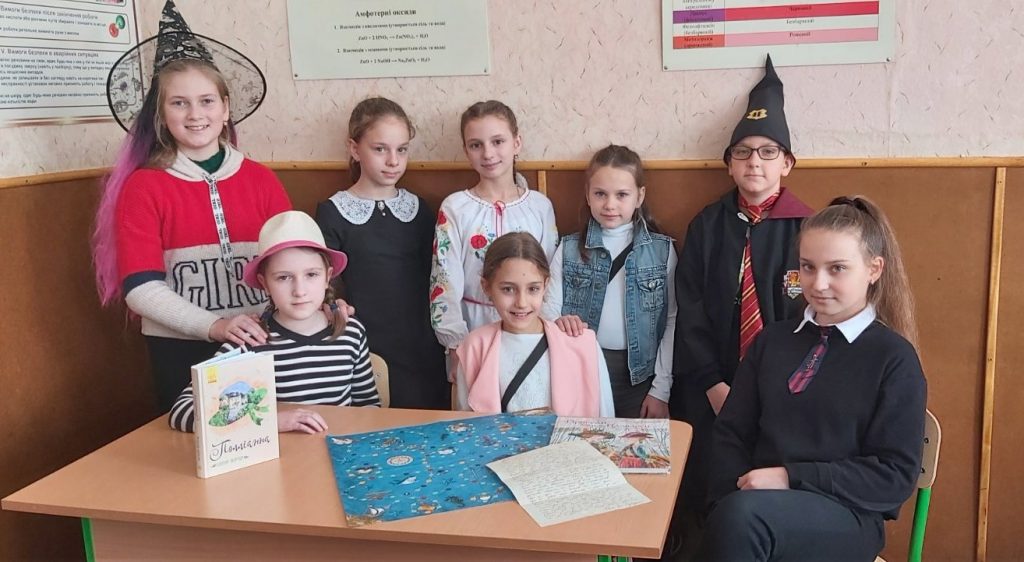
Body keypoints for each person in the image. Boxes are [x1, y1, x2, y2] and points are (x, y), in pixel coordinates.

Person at [696, 196, 927, 562]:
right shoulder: (772, 341)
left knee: (741, 521)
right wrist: (727, 498)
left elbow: (894, 475)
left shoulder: (894, 358)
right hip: (754, 509)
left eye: (837, 269)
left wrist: (789, 477)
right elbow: (731, 433)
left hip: (846, 516)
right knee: (727, 519)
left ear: (874, 269)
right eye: (808, 267)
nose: (818, 284)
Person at [91, 0, 291, 412]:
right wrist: (214, 326)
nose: (195, 113)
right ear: (161, 114)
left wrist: (322, 303)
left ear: (226, 108)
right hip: (180, 351)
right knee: (194, 441)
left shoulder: (262, 180)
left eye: (206, 101)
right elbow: (141, 290)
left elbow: (295, 261)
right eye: (179, 102)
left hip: (261, 341)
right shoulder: (143, 187)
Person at [671, 54, 814, 528]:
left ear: (787, 163)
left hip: (786, 390)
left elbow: (815, 317)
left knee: (770, 496)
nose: (755, 162)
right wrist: (713, 383)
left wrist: (778, 391)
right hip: (711, 386)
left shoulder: (809, 229)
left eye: (768, 152)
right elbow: (689, 308)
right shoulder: (708, 226)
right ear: (729, 165)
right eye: (743, 152)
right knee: (709, 487)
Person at [169, 211, 380, 434]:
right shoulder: (250, 341)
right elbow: (182, 411)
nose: (299, 291)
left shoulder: (351, 331)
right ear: (265, 284)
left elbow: (369, 406)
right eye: (283, 277)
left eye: (311, 275)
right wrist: (270, 421)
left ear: (328, 277)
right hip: (280, 456)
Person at [315, 97, 448, 409]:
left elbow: (437, 276)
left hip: (422, 344)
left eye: (402, 150)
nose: (393, 161)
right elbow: (325, 282)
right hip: (367, 343)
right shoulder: (334, 212)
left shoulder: (418, 209)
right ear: (354, 148)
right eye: (380, 149)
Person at [429, 100, 559, 382]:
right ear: (466, 150)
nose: (488, 153)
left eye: (498, 141)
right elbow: (444, 281)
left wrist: (546, 330)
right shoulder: (456, 208)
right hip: (472, 333)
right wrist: (456, 344)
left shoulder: (539, 207)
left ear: (516, 143)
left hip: (529, 333)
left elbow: (551, 275)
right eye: (476, 145)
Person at [548, 144, 677, 419]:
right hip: (580, 375)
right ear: (588, 195)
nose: (610, 204)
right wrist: (559, 322)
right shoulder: (568, 249)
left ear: (639, 196)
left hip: (640, 379)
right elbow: (547, 310)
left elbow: (672, 321)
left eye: (621, 195)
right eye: (600, 194)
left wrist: (661, 390)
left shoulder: (662, 251)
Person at [454, 233, 615, 417]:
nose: (521, 303)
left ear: (546, 285)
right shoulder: (474, 348)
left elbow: (606, 421)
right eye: (508, 289)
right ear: (486, 287)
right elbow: (465, 421)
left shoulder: (583, 345)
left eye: (533, 289)